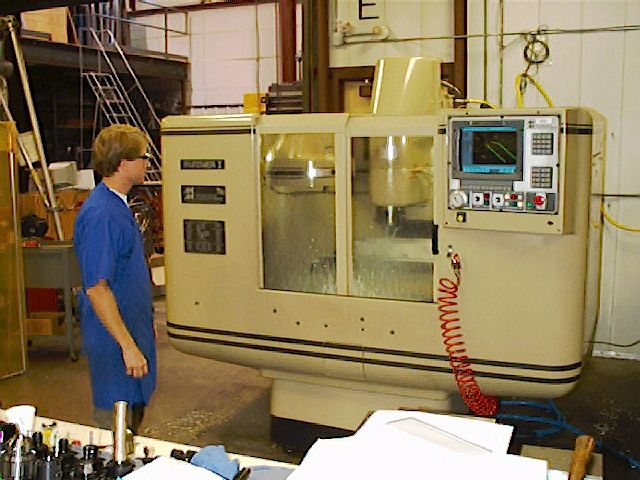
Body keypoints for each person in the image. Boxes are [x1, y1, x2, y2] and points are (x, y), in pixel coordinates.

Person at [74, 124, 155, 433]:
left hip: (129, 330)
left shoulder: (117, 205)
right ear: (123, 164)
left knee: (133, 417)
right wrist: (127, 346)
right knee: (117, 426)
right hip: (114, 342)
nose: (147, 163)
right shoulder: (102, 215)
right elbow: (97, 288)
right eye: (143, 157)